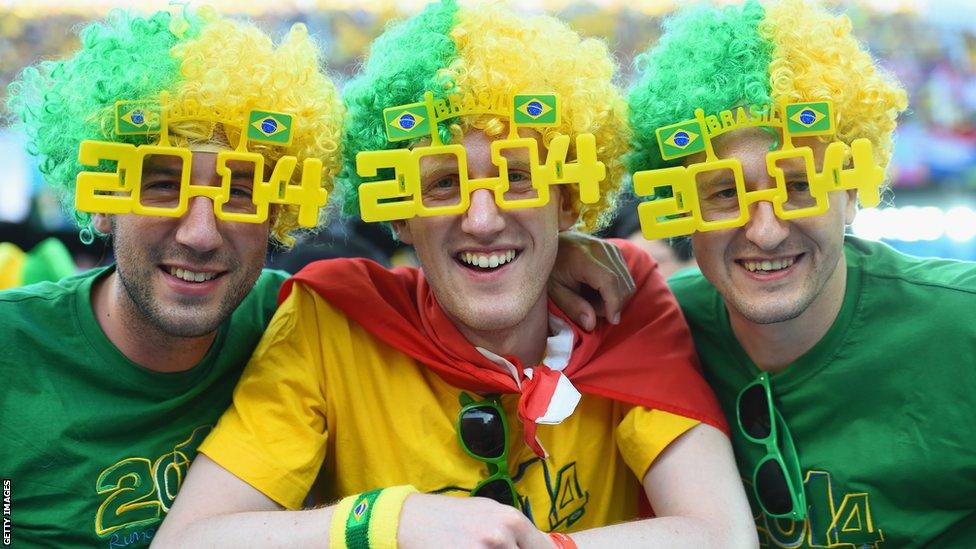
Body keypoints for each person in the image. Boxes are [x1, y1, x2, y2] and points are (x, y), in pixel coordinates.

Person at [0, 8, 634, 547]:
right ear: (103, 195)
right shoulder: (12, 351)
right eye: (163, 185)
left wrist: (555, 249)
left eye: (241, 191)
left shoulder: (302, 318)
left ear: (280, 211)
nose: (199, 231)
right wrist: (384, 518)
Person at [155, 1, 757, 547]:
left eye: (517, 176)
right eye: (443, 182)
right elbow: (189, 540)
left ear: (570, 198)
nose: (483, 219)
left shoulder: (621, 298)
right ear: (398, 216)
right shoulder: (331, 321)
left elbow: (722, 536)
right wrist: (385, 522)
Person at [627, 0, 976, 546]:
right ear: (682, 210)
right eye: (725, 192)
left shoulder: (963, 327)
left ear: (852, 193)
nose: (765, 231)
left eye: (798, 185)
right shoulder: (653, 329)